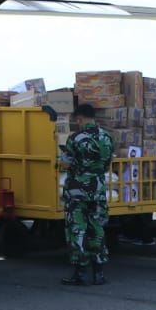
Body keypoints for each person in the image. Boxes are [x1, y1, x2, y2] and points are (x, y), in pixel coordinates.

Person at [59, 102, 113, 286]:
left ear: (80, 119)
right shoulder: (107, 137)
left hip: (77, 192)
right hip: (97, 190)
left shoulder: (75, 138)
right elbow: (107, 164)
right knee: (97, 229)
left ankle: (80, 273)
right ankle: (99, 273)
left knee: (78, 230)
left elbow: (65, 164)